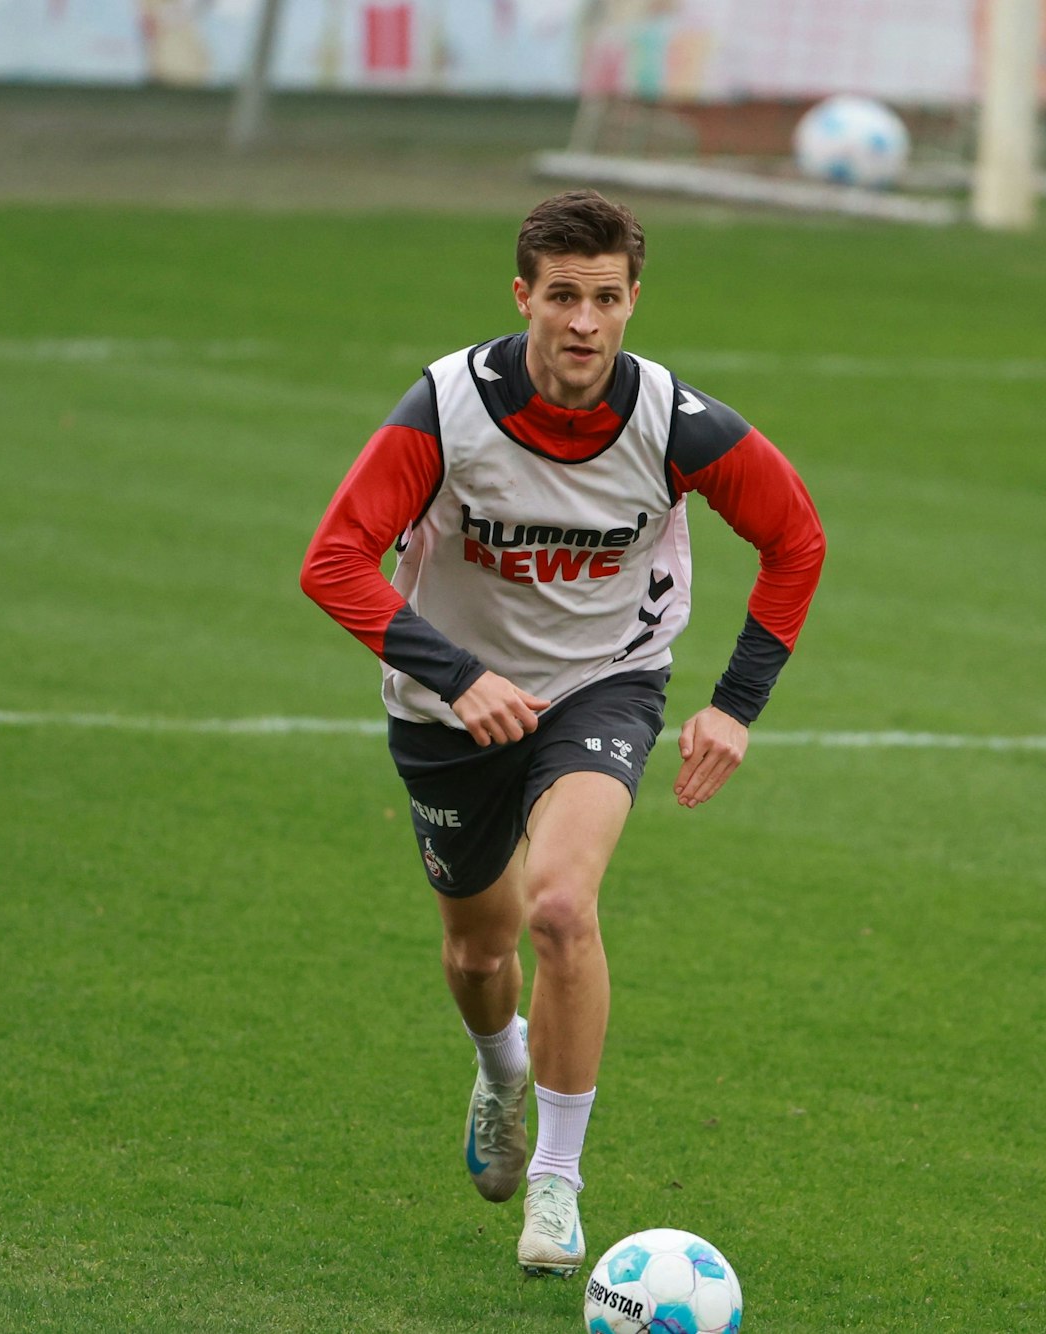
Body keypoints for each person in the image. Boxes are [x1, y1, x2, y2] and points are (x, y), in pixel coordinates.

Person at [300, 190, 825, 1276]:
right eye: (562, 297)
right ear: (522, 297)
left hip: (605, 683)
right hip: (447, 706)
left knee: (557, 906)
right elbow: (333, 561)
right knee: (477, 948)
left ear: (633, 301)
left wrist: (734, 704)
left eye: (606, 298)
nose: (584, 322)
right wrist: (459, 677)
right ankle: (501, 1070)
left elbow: (795, 537)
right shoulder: (446, 408)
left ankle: (557, 1181)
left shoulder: (676, 423)